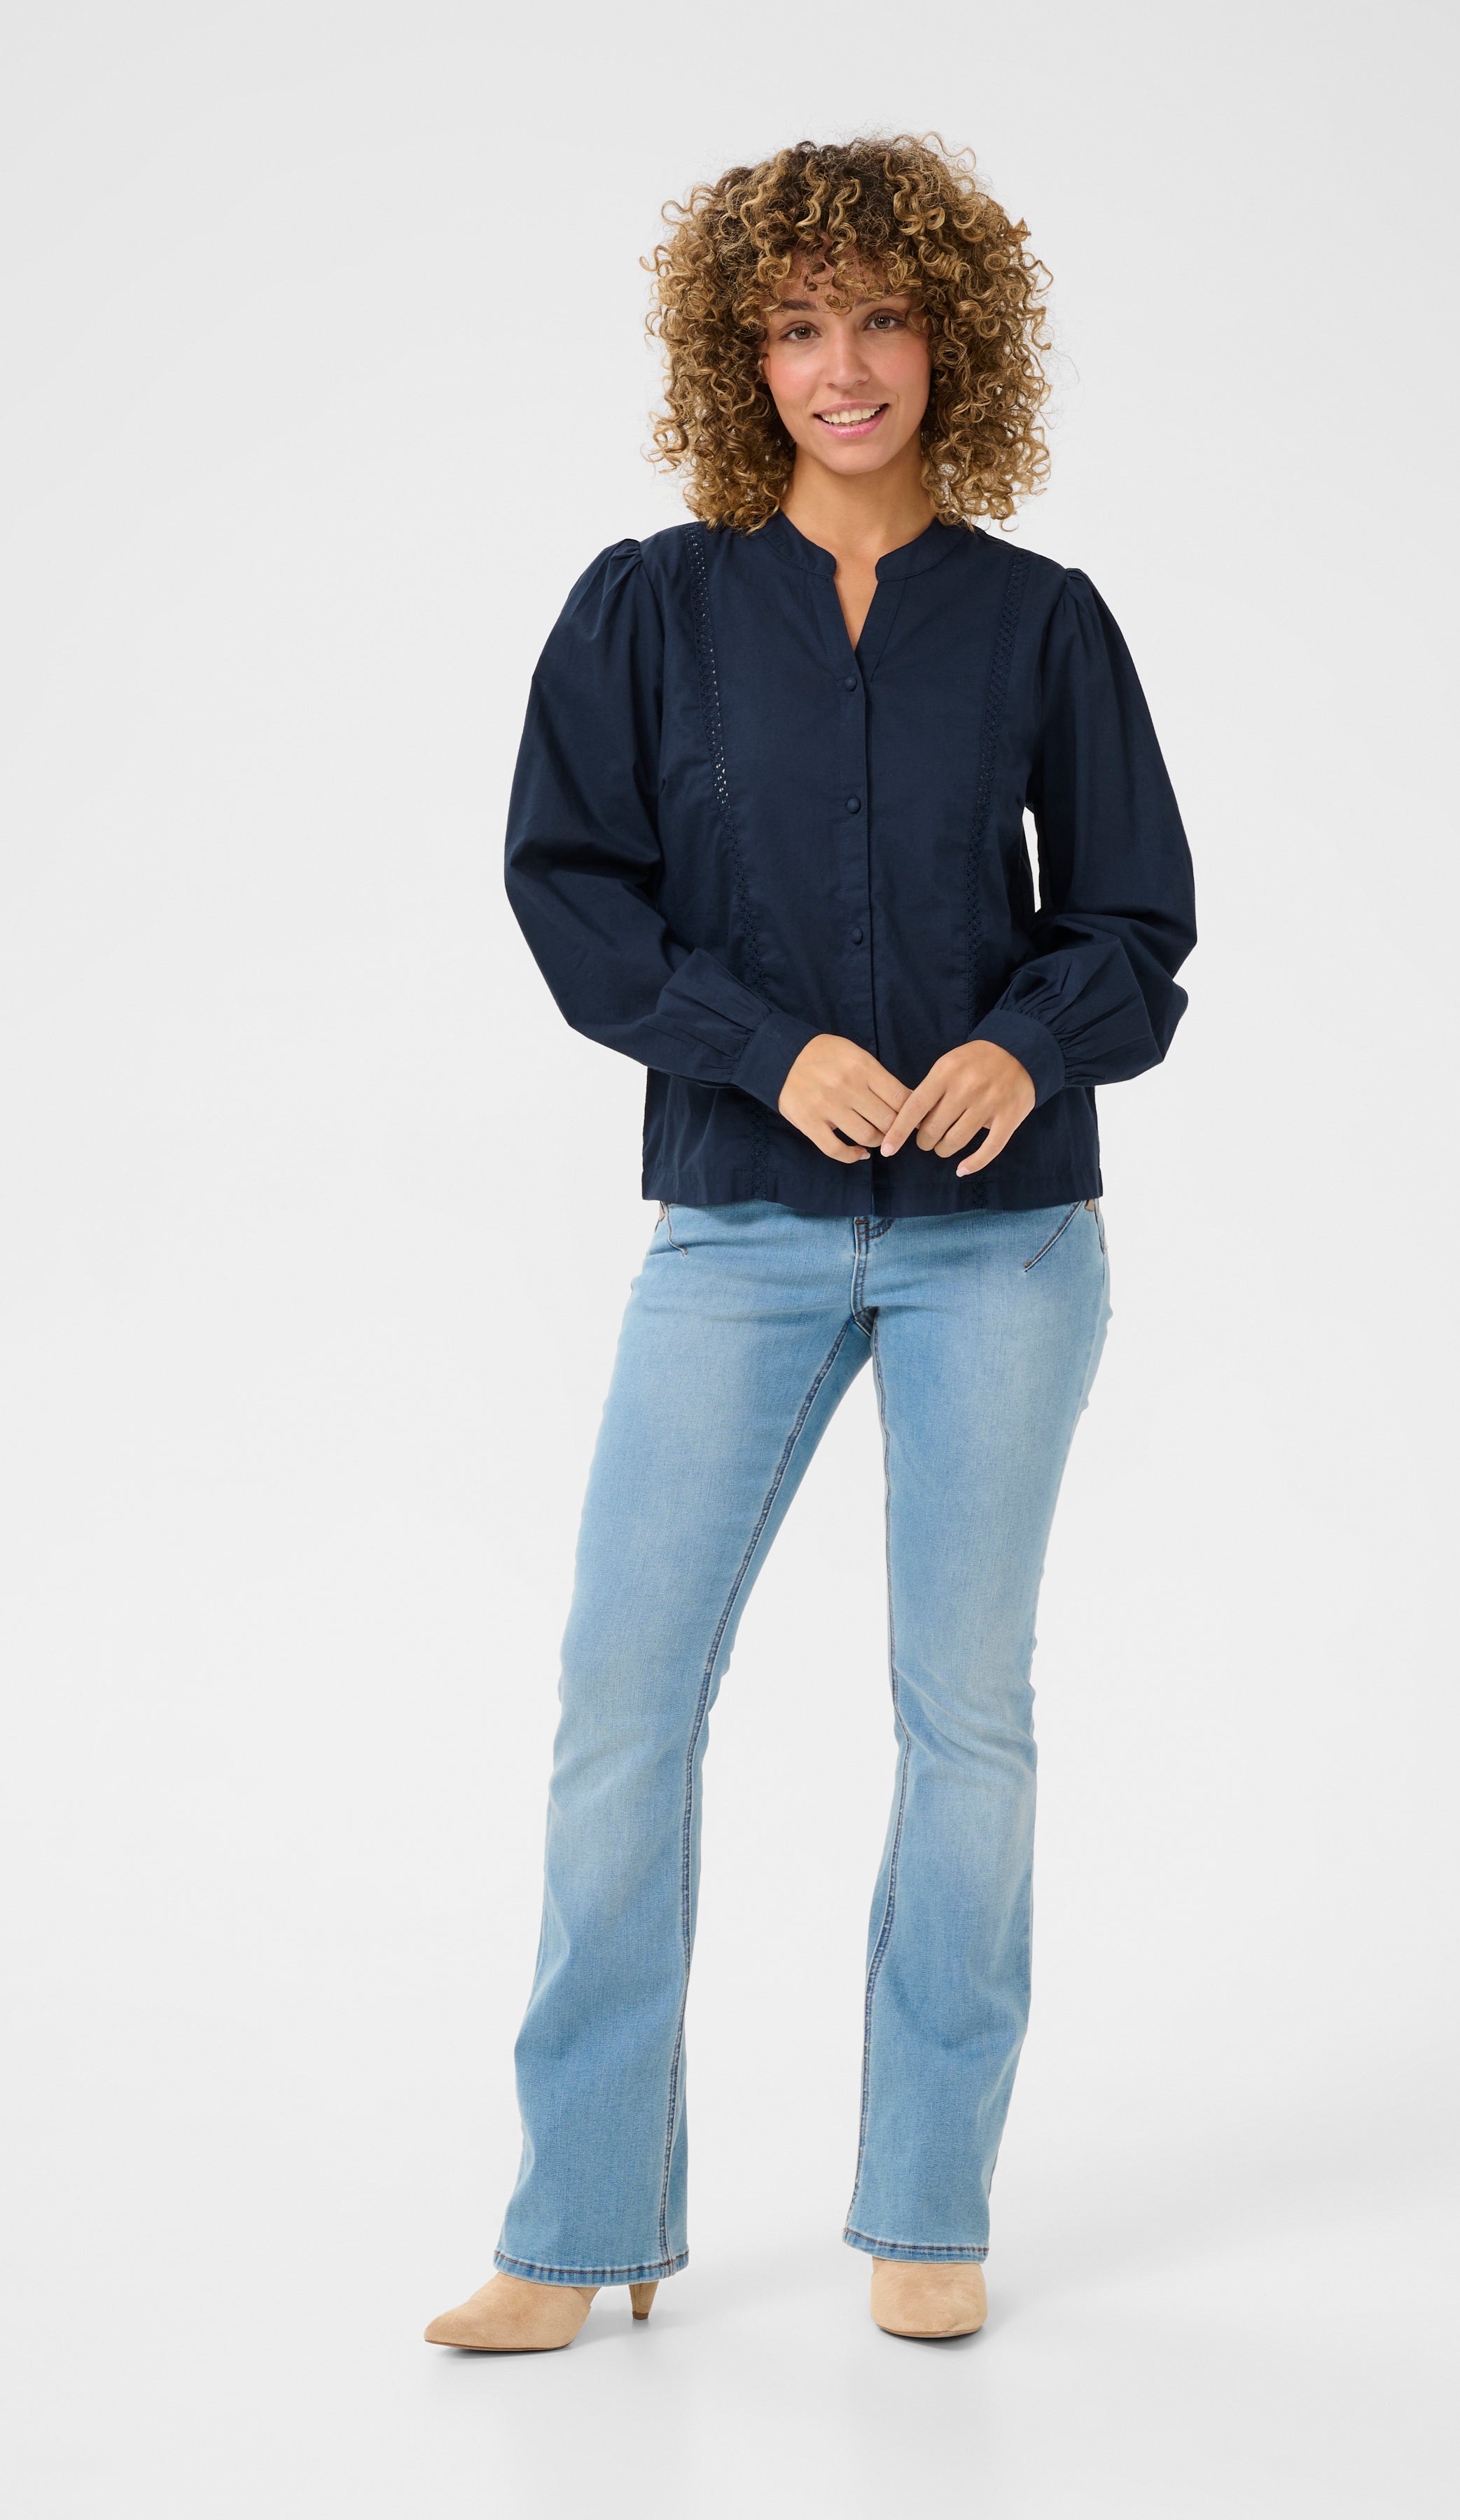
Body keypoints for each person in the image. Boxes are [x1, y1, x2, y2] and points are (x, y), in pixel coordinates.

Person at [426, 134, 1195, 2353]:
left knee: (967, 1718)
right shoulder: (646, 608)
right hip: (736, 1234)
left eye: (878, 318)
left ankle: (928, 2212)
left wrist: (1023, 1048)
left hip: (999, 1249)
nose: (839, 366)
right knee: (620, 1703)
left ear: (952, 339)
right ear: (736, 355)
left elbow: (1138, 924)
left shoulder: (1043, 624)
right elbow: (572, 892)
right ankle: (577, 2233)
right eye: (792, 326)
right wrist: (766, 1051)